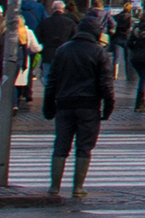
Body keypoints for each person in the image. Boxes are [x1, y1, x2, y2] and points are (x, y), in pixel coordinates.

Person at [42, 13, 116, 198]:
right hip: (89, 106)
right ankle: (78, 187)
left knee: (61, 146)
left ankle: (54, 186)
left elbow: (52, 81)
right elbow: (105, 84)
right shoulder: (99, 52)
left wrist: (48, 105)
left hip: (64, 104)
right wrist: (108, 107)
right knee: (84, 147)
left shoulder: (63, 50)